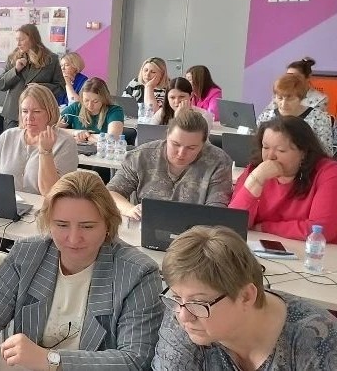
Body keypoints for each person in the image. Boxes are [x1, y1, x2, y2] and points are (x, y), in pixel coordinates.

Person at [0, 171, 163, 371]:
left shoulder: (139, 273)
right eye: (62, 225)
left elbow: (135, 359)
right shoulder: (27, 254)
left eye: (87, 226)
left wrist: (50, 360)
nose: (73, 239)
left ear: (108, 225)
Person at [153, 225, 337, 370]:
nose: (183, 316)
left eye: (199, 302)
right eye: (177, 297)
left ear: (246, 296)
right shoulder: (182, 312)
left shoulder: (320, 341)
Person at [107, 110, 233, 221]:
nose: (181, 153)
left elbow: (216, 211)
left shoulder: (218, 162)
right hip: (145, 225)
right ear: (167, 135)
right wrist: (130, 209)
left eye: (191, 148)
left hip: (195, 231)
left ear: (204, 143)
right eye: (175, 144)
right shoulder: (141, 156)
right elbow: (111, 193)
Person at [229, 116, 337, 242]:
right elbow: (233, 223)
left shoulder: (328, 173)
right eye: (265, 147)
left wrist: (265, 227)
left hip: (313, 251)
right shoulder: (256, 170)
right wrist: (256, 179)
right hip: (260, 247)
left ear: (303, 153)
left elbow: (322, 230)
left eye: (281, 150)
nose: (270, 157)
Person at [0, 84, 78, 195]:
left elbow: (50, 192)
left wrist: (45, 152)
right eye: (24, 111)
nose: (29, 117)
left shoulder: (65, 142)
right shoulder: (9, 136)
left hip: (43, 205)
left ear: (50, 112)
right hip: (8, 203)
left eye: (36, 111)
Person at [0, 24, 64, 128]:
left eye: (21, 40)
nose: (18, 44)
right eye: (17, 40)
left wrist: (40, 88)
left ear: (33, 39)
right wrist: (15, 70)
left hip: (39, 114)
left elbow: (61, 87)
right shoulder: (12, 58)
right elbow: (1, 85)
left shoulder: (51, 59)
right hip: (13, 115)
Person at [257, 74, 334, 155]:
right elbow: (258, 149)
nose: (283, 104)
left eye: (290, 99)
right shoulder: (265, 118)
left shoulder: (319, 119)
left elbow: (326, 153)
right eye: (280, 98)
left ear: (301, 98)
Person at [58, 78, 125, 143]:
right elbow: (54, 129)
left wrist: (87, 137)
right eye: (86, 100)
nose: (90, 105)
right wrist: (75, 132)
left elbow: (113, 137)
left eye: (95, 101)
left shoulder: (115, 111)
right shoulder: (75, 107)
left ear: (104, 99)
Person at [263, 57, 328, 113]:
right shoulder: (281, 93)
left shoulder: (319, 99)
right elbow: (266, 115)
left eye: (295, 76)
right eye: (288, 75)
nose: (290, 79)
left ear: (308, 77)